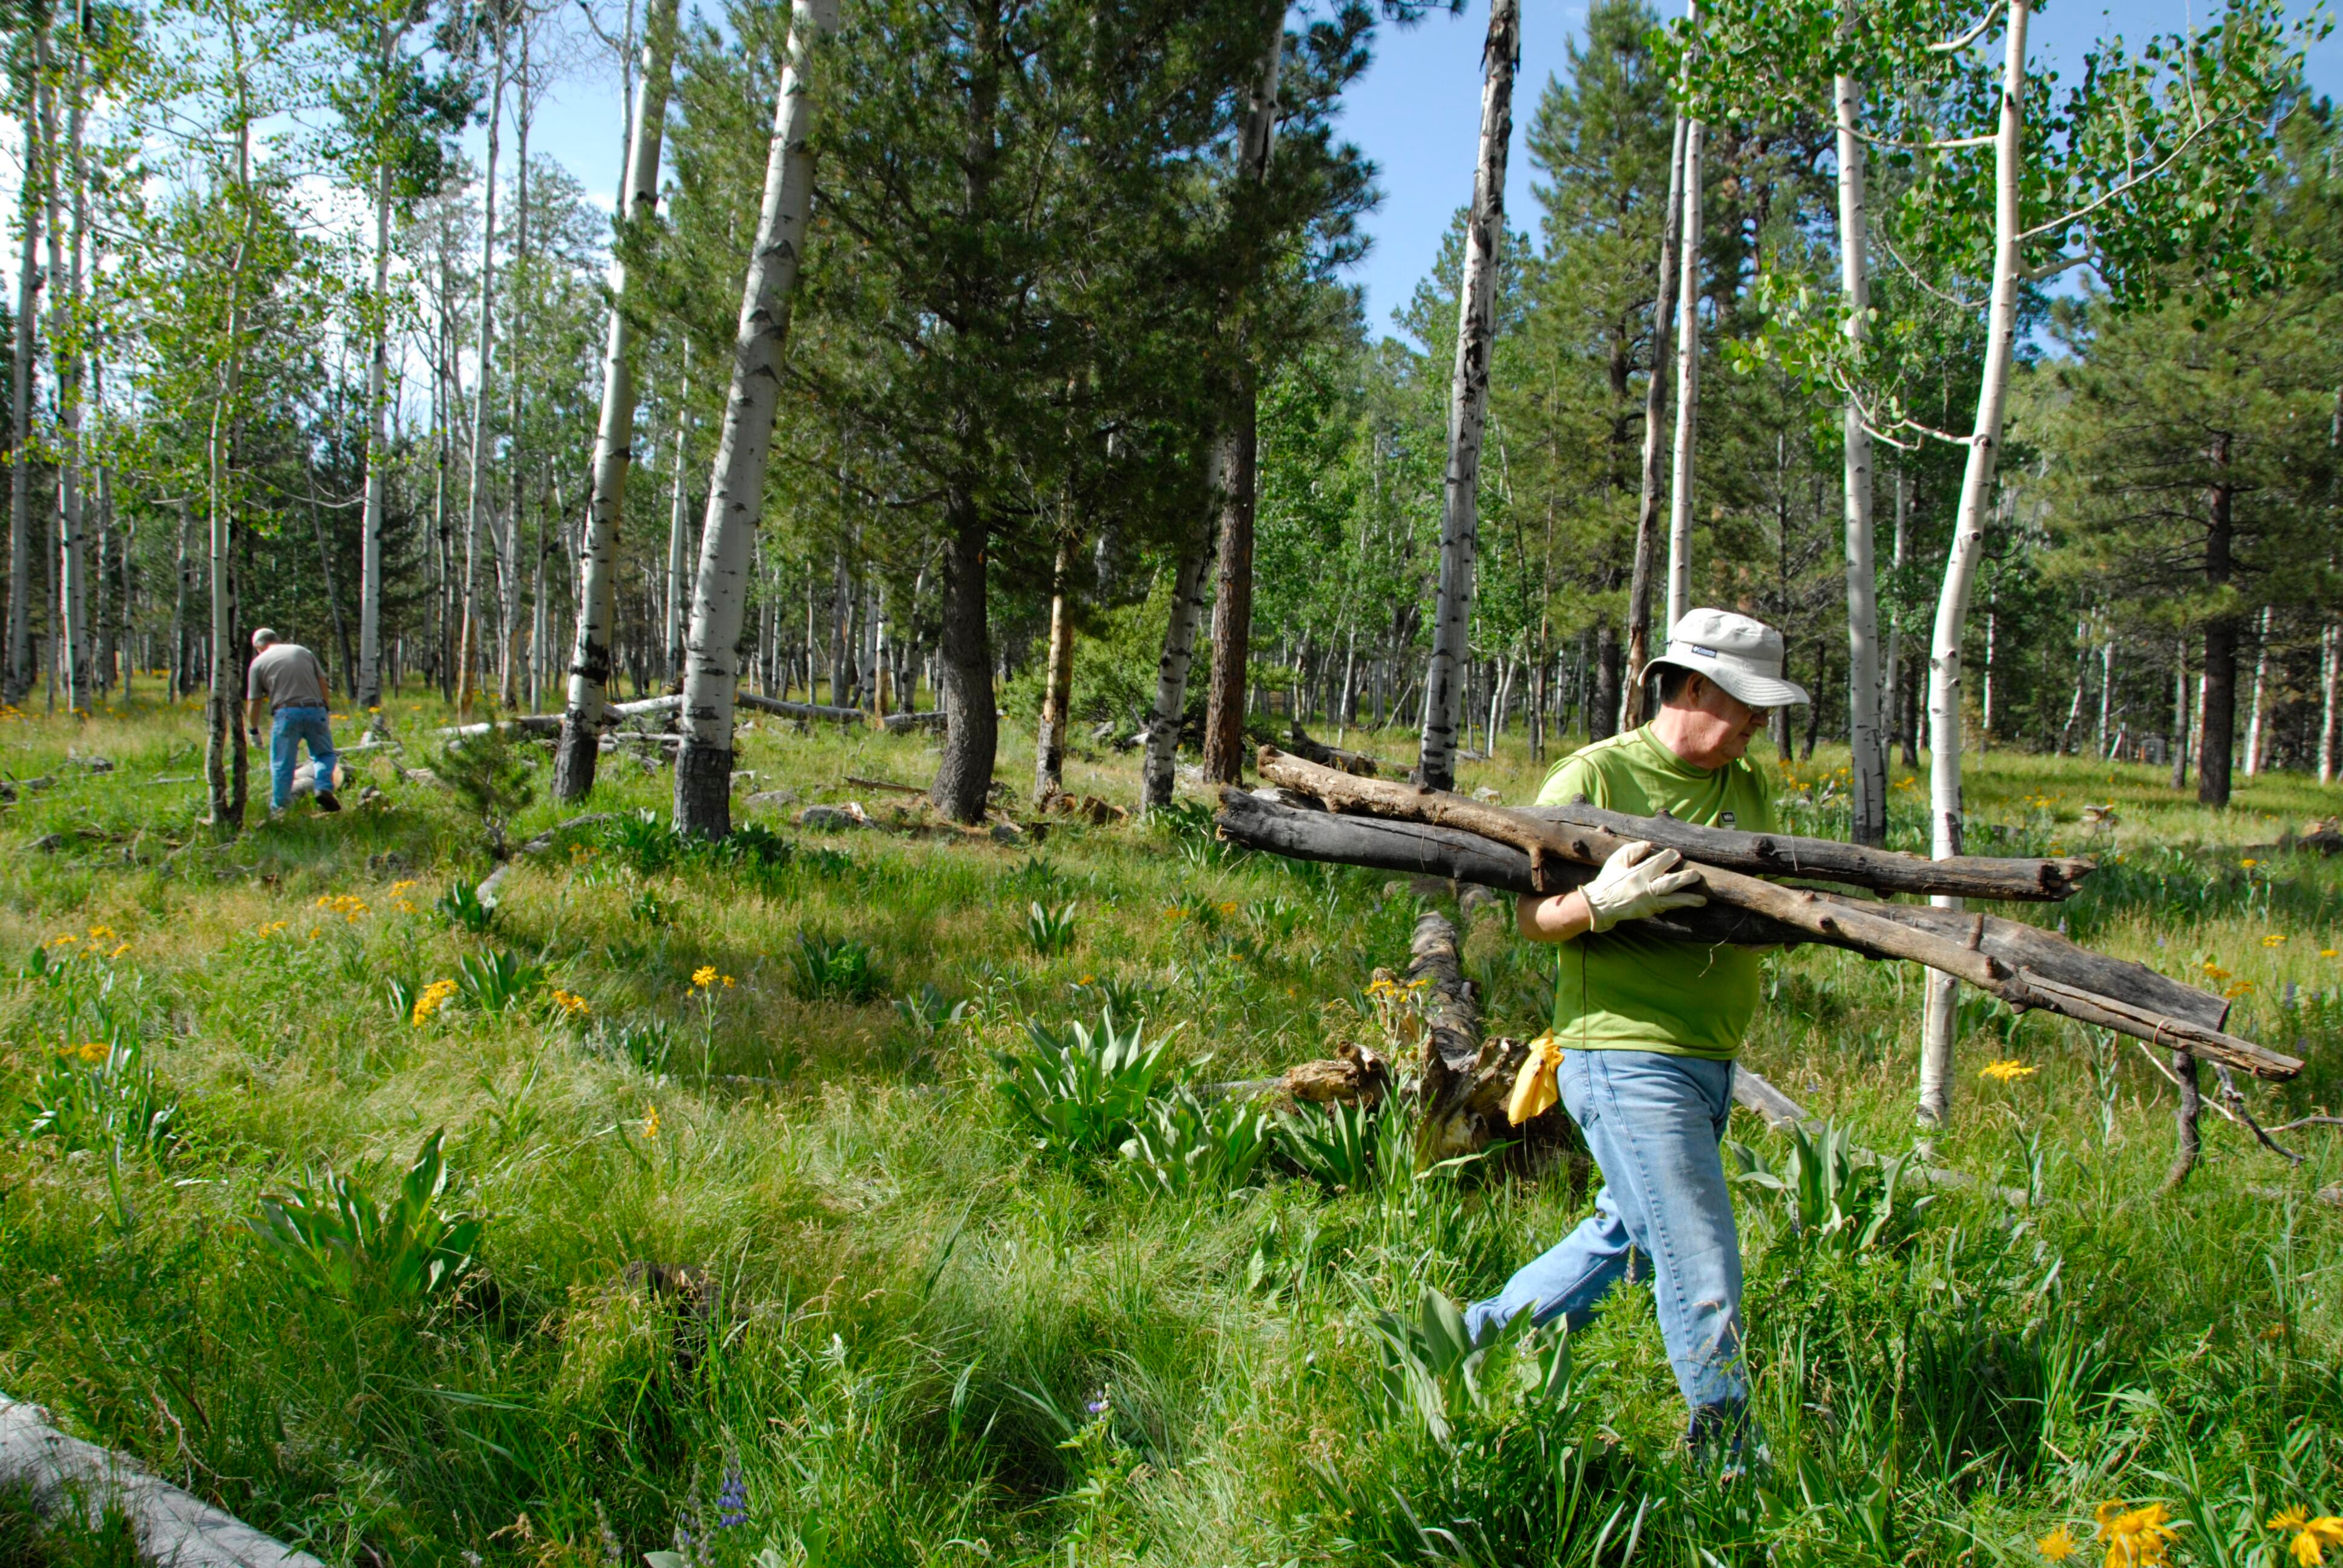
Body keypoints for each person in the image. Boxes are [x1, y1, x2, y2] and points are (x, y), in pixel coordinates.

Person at [1466, 607, 1808, 1460]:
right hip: (1624, 1054)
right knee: (1700, 1258)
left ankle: (1465, 1342)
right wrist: (1601, 905)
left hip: (1710, 1056)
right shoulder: (1595, 776)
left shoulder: (1747, 785)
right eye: (1746, 707)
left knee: (1627, 1241)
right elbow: (1530, 919)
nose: (1759, 726)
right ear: (1692, 687)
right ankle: (1732, 1462)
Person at [244, 627, 341, 815]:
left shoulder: (258, 663)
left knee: (282, 763)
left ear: (258, 646)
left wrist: (254, 730)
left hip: (286, 713)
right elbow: (322, 681)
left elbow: (254, 701)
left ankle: (280, 809)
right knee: (325, 755)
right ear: (277, 639)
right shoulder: (302, 651)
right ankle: (323, 786)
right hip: (316, 709)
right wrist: (325, 708)